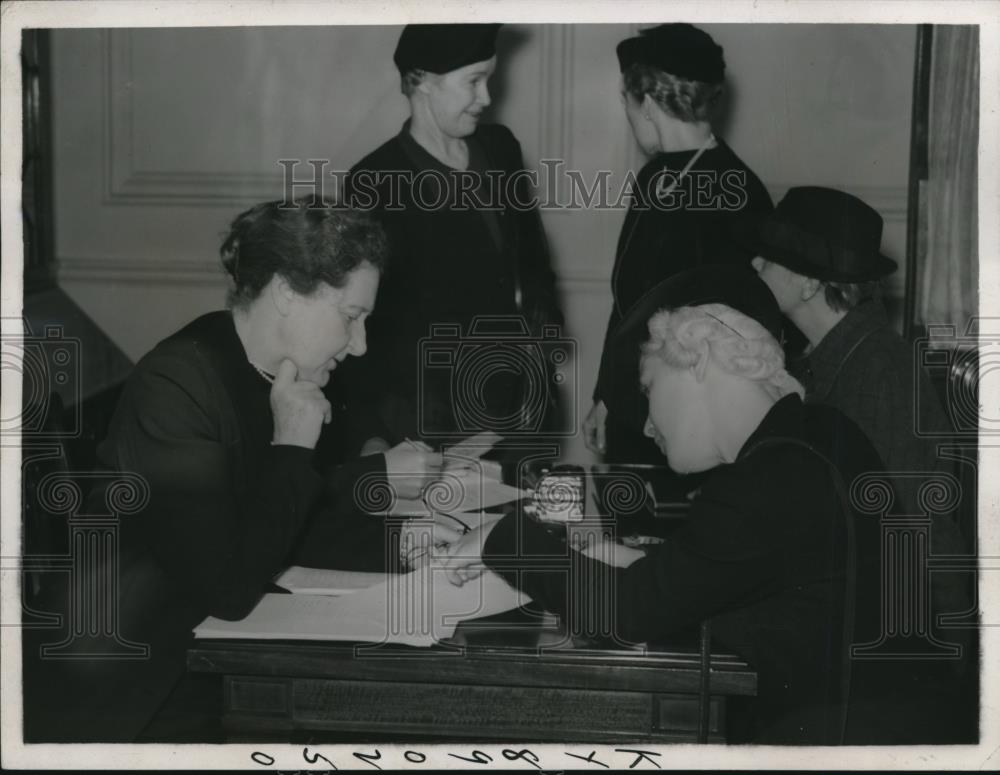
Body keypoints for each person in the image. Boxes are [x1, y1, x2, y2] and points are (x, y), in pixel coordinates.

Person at [445, 264, 937, 744]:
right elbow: (724, 574)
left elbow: (631, 611)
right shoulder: (818, 433)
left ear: (699, 357)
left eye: (648, 389)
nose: (646, 426)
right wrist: (618, 556)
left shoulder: (771, 476)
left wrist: (502, 538)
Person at [25, 199, 454, 743]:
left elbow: (280, 525)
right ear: (284, 292)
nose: (361, 345)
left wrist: (402, 541)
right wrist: (293, 447)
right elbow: (229, 587)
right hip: (126, 689)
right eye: (351, 317)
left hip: (203, 656)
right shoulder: (177, 383)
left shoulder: (275, 374)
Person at [746, 186, 971, 636]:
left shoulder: (878, 369)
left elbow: (907, 529)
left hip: (902, 630)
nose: (754, 264)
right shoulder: (823, 358)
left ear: (810, 282)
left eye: (768, 259)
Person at [340, 23, 562, 449]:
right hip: (432, 422)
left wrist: (543, 334)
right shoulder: (375, 180)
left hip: (520, 409)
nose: (487, 98)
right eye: (473, 82)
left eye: (489, 79)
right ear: (421, 82)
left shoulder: (500, 148)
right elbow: (363, 318)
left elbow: (532, 260)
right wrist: (372, 432)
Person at [583, 23, 774, 464]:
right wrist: (605, 397)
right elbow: (628, 305)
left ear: (646, 103)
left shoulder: (737, 188)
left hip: (693, 424)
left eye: (626, 101)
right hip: (636, 405)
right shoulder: (659, 176)